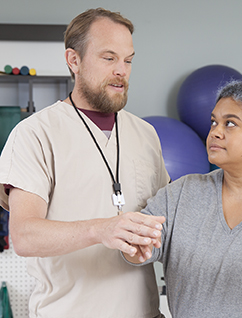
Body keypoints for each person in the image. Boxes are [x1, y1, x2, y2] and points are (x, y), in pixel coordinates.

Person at [0, 8, 170, 318]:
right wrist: (102, 229)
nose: (122, 70)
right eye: (109, 58)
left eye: (128, 60)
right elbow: (24, 235)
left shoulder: (146, 134)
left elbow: (166, 223)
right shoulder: (34, 134)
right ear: (73, 60)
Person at [124, 81, 242, 317]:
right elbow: (136, 248)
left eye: (230, 123)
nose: (215, 132)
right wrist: (133, 245)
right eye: (214, 122)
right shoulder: (181, 193)